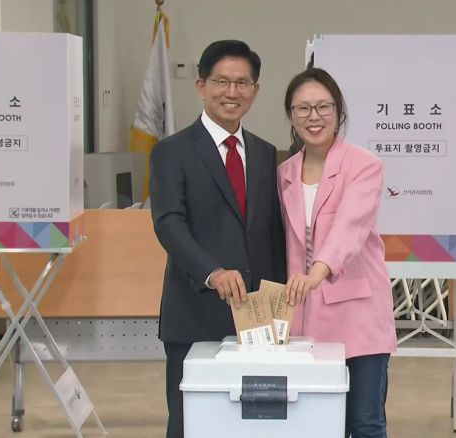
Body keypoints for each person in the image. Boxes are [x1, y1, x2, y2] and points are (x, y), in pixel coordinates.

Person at [149, 40, 286, 438]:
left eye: (242, 83)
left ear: (255, 91)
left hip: (257, 319)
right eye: (221, 81)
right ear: (201, 86)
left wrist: (279, 302)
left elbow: (272, 232)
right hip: (195, 311)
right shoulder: (171, 151)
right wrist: (212, 272)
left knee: (252, 424)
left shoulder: (264, 153)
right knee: (191, 422)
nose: (232, 92)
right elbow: (169, 223)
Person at [277, 67, 396, 438]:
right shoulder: (283, 173)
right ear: (291, 116)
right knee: (315, 424)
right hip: (304, 318)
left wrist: (316, 272)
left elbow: (350, 226)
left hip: (358, 314)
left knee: (364, 422)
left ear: (338, 111)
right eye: (303, 108)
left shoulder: (364, 165)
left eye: (323, 106)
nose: (314, 116)